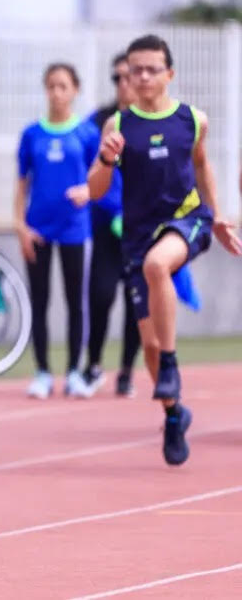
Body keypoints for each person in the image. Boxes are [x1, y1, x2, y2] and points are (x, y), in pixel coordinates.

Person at [88, 34, 242, 466]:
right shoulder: (118, 126)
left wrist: (215, 214)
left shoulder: (193, 119)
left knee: (160, 265)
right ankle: (175, 414)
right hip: (137, 234)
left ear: (169, 74)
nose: (140, 76)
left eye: (151, 68)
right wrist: (104, 159)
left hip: (186, 220)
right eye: (133, 70)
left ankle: (172, 365)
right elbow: (96, 189)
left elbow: (201, 164)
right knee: (148, 345)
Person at [15, 63, 98, 400]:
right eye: (51, 86)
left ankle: (75, 371)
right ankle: (42, 372)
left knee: (75, 300)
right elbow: (22, 185)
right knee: (40, 301)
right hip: (38, 230)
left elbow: (101, 177)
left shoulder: (88, 134)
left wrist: (89, 192)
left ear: (75, 90)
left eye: (63, 86)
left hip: (74, 229)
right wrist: (20, 226)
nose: (57, 93)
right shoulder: (32, 134)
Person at [84, 53, 140, 397]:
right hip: (105, 226)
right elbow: (91, 171)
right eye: (116, 78)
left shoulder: (151, 123)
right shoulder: (100, 122)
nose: (123, 84)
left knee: (137, 302)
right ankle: (92, 365)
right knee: (101, 295)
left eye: (128, 76)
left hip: (139, 229)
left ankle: (127, 373)